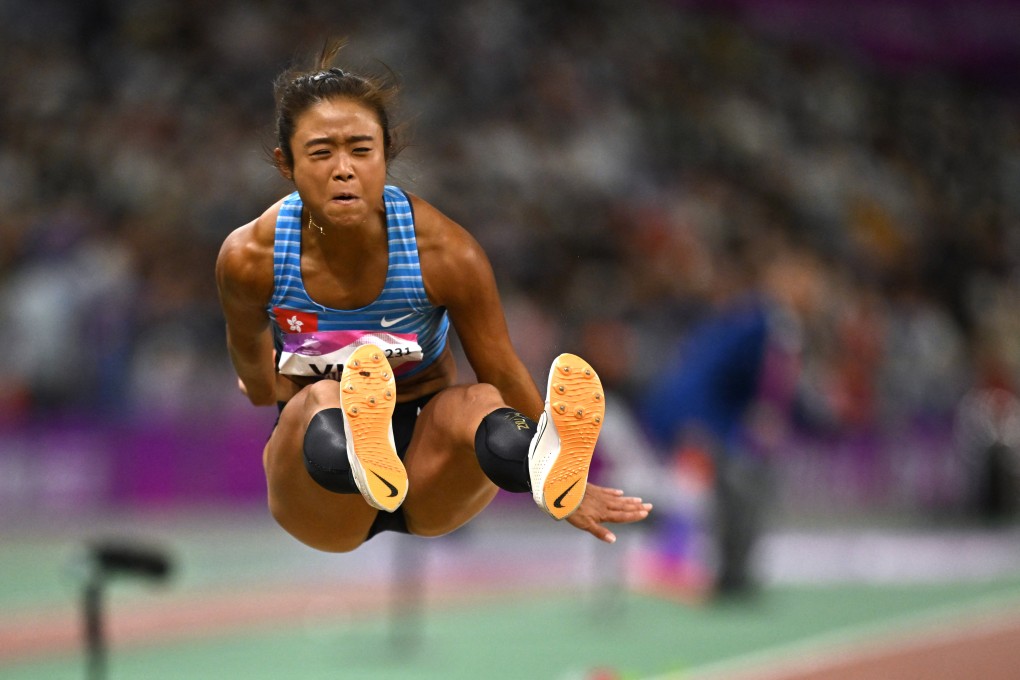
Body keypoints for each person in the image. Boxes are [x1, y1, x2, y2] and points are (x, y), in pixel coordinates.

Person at [214, 41, 651, 553]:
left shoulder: (444, 252)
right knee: (321, 398)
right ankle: (359, 448)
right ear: (285, 163)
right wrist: (272, 381)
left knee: (482, 401)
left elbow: (502, 370)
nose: (344, 169)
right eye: (320, 152)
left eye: (361, 149)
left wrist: (559, 477)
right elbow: (260, 383)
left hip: (429, 470)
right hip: (323, 489)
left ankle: (543, 464)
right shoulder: (251, 257)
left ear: (385, 153)